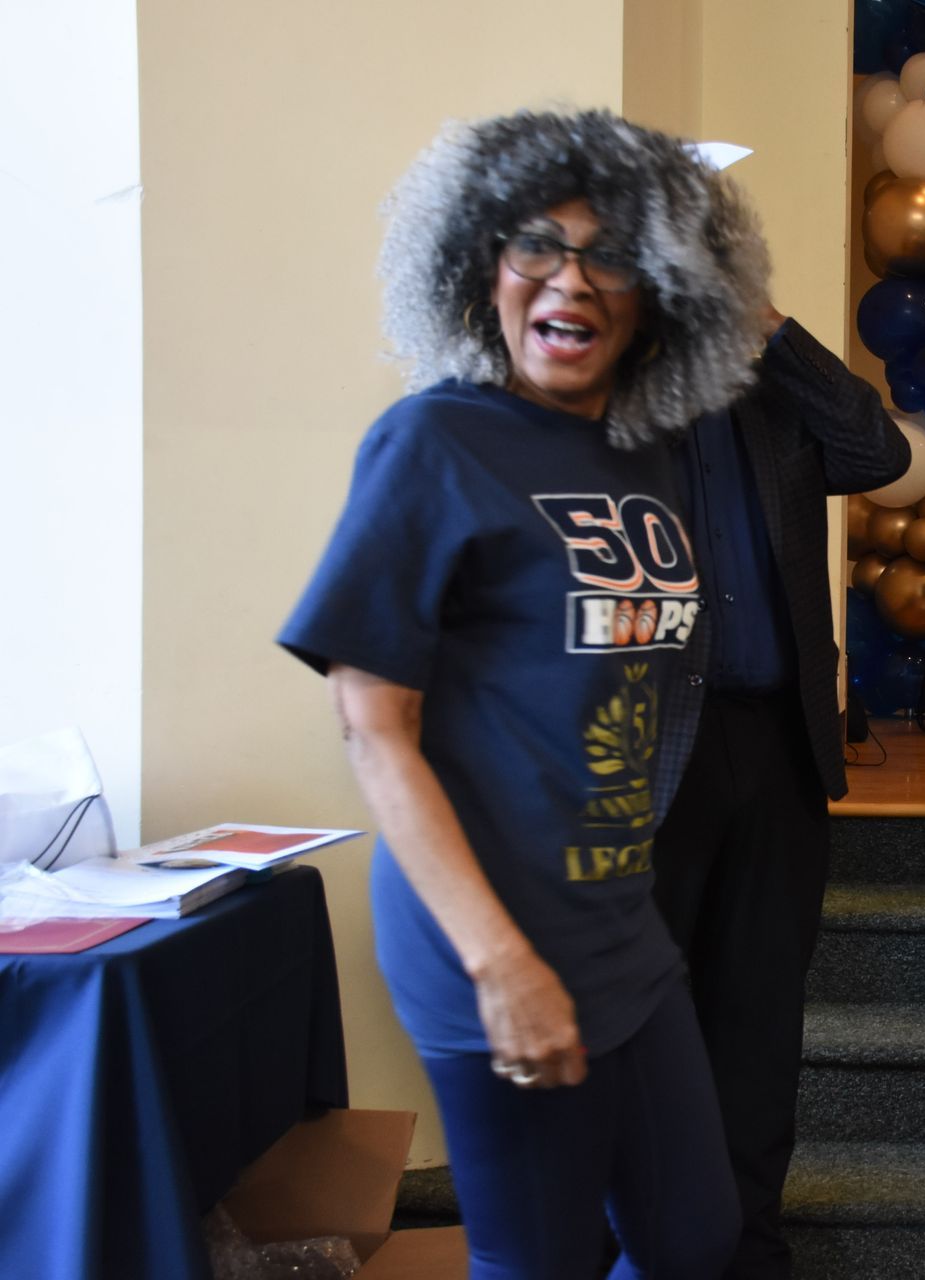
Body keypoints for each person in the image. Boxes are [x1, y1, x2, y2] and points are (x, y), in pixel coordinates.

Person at [278, 109, 781, 1280]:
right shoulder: (433, 442)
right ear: (482, 269)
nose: (573, 279)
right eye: (536, 246)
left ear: (661, 290)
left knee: (695, 1234)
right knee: (538, 1255)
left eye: (611, 254)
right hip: (486, 934)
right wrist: (500, 963)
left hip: (620, 920)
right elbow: (372, 727)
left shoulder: (643, 456)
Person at [648, 197, 909, 1279]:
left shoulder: (776, 390)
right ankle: (645, 1247)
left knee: (758, 1033)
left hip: (779, 746)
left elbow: (879, 446)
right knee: (645, 1031)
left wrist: (766, 326)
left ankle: (748, 1254)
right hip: (659, 755)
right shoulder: (616, 384)